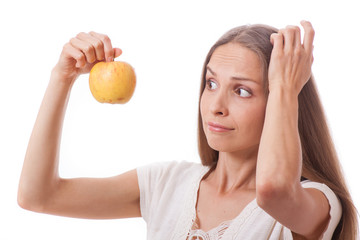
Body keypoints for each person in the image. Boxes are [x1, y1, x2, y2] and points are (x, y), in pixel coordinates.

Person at [18, 21, 358, 239]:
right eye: (211, 83)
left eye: (242, 91)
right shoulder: (166, 183)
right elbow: (38, 196)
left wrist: (286, 88)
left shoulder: (318, 203)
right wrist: (60, 78)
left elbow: (273, 192)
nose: (215, 105)